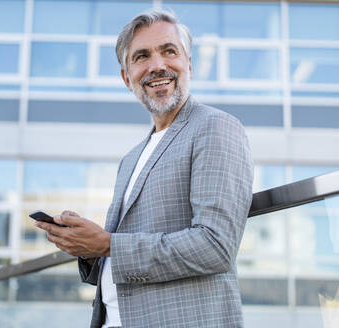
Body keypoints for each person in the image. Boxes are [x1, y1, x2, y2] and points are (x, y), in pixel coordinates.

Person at [35, 10, 253, 328]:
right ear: (127, 78)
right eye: (142, 56)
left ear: (188, 64)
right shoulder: (131, 158)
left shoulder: (215, 127)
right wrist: (90, 249)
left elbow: (215, 246)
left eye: (169, 51)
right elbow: (122, 260)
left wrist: (108, 244)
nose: (157, 65)